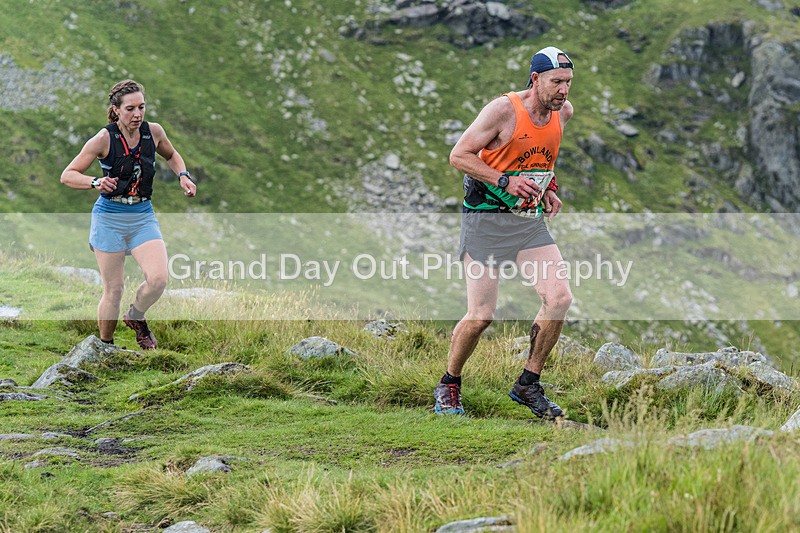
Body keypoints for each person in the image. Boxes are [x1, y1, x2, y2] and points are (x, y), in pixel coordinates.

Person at [434, 47, 575, 419]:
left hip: (526, 223)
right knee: (481, 316)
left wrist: (550, 187)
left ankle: (528, 384)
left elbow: (544, 154)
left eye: (568, 83)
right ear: (535, 79)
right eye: (556, 82)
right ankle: (450, 383)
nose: (564, 91)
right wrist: (504, 181)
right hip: (484, 222)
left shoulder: (564, 113)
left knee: (559, 297)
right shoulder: (503, 110)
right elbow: (459, 155)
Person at [60, 79, 197, 350]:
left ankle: (136, 315)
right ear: (116, 110)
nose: (137, 114)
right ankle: (105, 347)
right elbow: (67, 175)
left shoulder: (153, 132)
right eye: (130, 109)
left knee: (158, 279)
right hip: (109, 216)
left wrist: (183, 175)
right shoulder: (103, 138)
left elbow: (171, 155)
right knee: (114, 290)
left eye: (142, 107)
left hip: (142, 215)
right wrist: (95, 183)